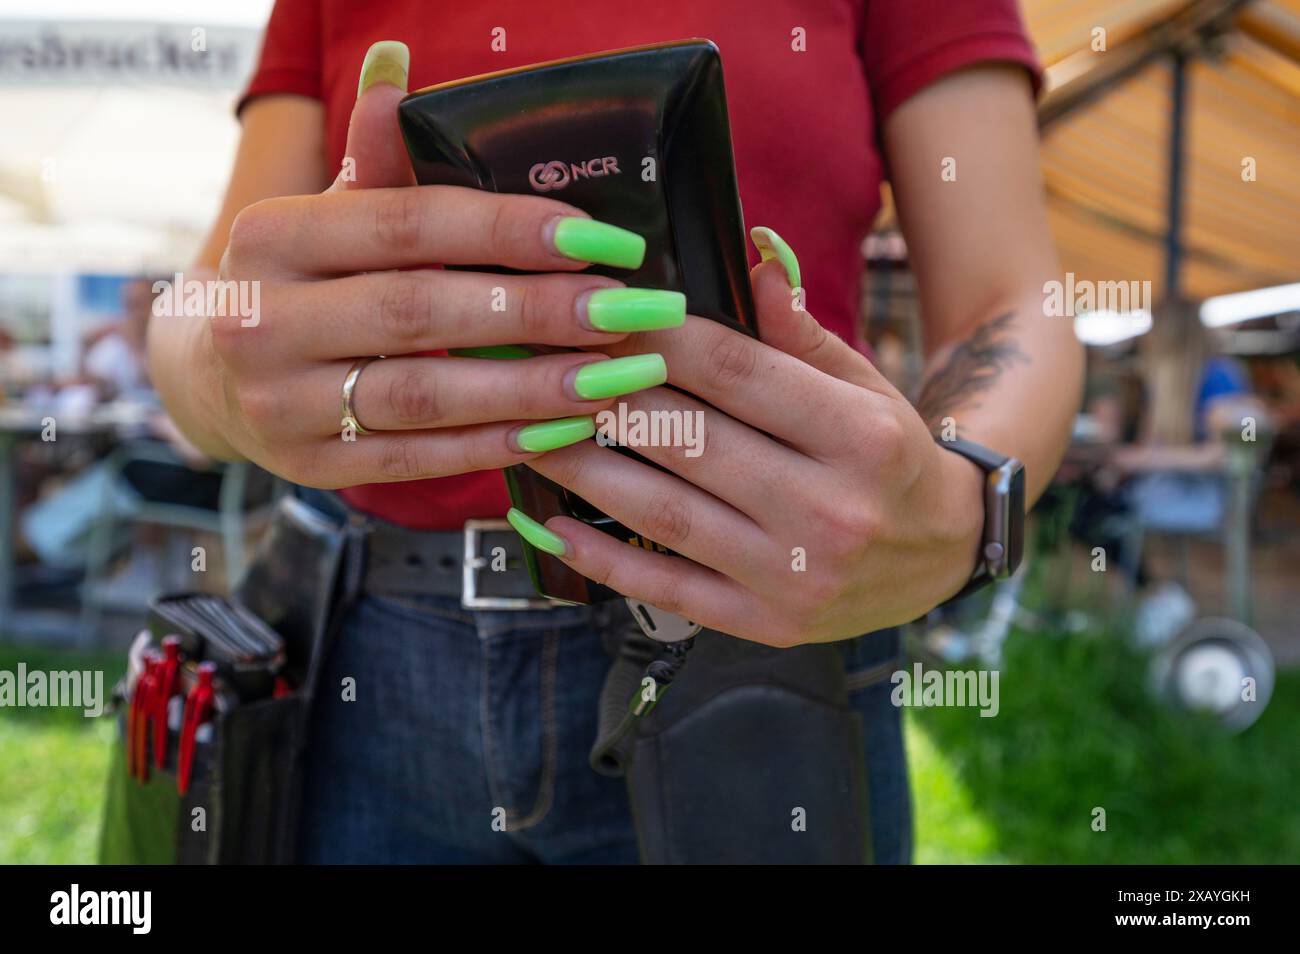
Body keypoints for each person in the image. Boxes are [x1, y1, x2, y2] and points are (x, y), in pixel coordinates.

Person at [147, 1, 1082, 863]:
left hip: (761, 638)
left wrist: (964, 508)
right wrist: (224, 380)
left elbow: (1011, 296)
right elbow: (212, 299)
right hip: (371, 663)